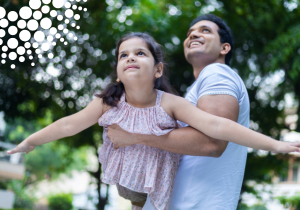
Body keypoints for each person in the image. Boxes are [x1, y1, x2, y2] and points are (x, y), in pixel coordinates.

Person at [7, 32, 300, 210]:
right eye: (124, 55)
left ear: (158, 69)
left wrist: (278, 144)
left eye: (140, 53)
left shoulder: (170, 103)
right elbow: (69, 124)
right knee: (134, 200)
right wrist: (30, 141)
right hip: (126, 180)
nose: (130, 57)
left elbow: (218, 126)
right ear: (119, 72)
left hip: (160, 183)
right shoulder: (108, 101)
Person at [106, 15, 300, 210]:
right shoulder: (197, 88)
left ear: (224, 48)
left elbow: (211, 142)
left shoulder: (216, 73)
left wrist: (135, 137)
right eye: (190, 34)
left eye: (205, 30)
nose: (194, 35)